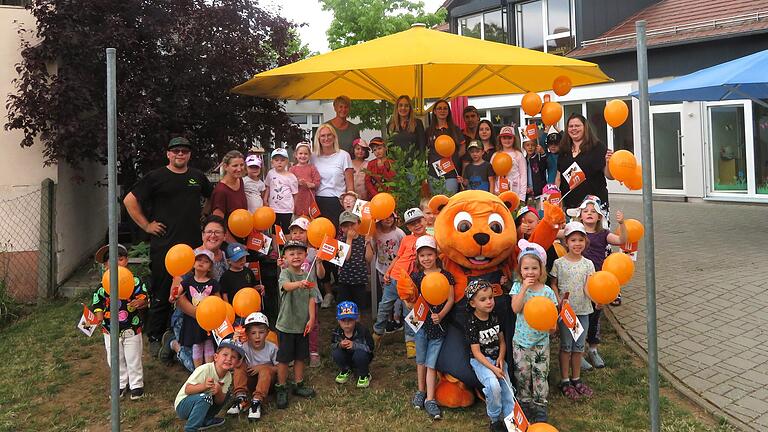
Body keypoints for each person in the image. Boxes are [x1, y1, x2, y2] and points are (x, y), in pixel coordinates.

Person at [123, 136, 212, 356]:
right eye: (176, 151)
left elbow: (211, 196)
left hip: (193, 245)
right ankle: (155, 335)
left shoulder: (197, 177)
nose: (180, 154)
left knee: (194, 289)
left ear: (189, 154)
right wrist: (147, 225)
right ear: (168, 154)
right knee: (163, 290)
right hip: (165, 245)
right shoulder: (156, 177)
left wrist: (204, 215)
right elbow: (129, 201)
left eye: (184, 151)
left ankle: (185, 333)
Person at [568, 196, 626, 371]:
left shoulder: (604, 234)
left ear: (600, 216)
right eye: (585, 211)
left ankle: (593, 349)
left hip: (597, 283)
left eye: (593, 211)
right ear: (580, 215)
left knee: (594, 317)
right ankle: (578, 352)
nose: (589, 214)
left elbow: (622, 240)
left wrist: (622, 224)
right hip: (577, 282)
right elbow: (558, 234)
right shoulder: (575, 233)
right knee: (577, 318)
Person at [91, 244, 148, 400]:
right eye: (111, 261)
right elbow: (97, 303)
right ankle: (120, 383)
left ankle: (136, 384)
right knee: (114, 357)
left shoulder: (135, 281)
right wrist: (99, 315)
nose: (116, 264)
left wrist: (140, 302)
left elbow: (143, 296)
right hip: (109, 329)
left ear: (127, 261)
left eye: (120, 259)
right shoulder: (102, 286)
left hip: (132, 326)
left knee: (133, 356)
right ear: (105, 266)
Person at [510, 240, 558, 423]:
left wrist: (552, 327)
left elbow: (552, 316)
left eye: (534, 268)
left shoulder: (547, 291)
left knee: (540, 374)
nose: (530, 272)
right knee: (522, 373)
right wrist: (523, 289)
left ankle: (539, 405)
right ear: (520, 271)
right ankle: (524, 402)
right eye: (526, 269)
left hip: (540, 342)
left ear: (541, 270)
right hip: (521, 341)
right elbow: (515, 308)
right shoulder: (517, 287)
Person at [408, 235, 455, 420]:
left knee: (431, 363)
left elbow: (450, 299)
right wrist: (407, 300)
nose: (426, 259)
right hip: (419, 325)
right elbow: (411, 300)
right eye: (422, 256)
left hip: (438, 326)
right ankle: (420, 391)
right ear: (418, 258)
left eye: (429, 254)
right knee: (420, 360)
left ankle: (430, 398)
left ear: (436, 255)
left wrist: (441, 315)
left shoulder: (445, 276)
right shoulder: (417, 277)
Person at [551, 221, 596, 401]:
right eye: (573, 240)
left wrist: (596, 298)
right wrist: (558, 299)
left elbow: (589, 287)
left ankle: (576, 379)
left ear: (585, 242)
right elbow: (553, 284)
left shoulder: (588, 264)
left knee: (578, 347)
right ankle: (565, 380)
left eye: (581, 240)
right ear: (566, 242)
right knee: (566, 346)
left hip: (583, 311)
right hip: (566, 313)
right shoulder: (559, 263)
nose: (577, 244)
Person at [374, 208, 427, 358]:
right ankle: (377, 333)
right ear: (408, 227)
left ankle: (411, 342)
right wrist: (388, 272)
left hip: (412, 283)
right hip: (395, 277)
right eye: (412, 224)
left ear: (424, 220)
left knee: (410, 312)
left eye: (419, 221)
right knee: (385, 305)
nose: (416, 225)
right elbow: (398, 257)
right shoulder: (406, 239)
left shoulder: (429, 239)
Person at [465, 279, 515, 432]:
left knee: (508, 390)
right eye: (483, 299)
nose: (489, 302)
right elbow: (476, 352)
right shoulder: (472, 322)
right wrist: (492, 369)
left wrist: (501, 358)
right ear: (473, 303)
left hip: (497, 359)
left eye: (491, 298)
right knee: (493, 387)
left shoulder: (494, 316)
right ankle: (495, 420)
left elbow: (502, 341)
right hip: (482, 361)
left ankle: (510, 420)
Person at [275, 240, 320, 408]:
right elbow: (285, 286)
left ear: (305, 255)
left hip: (302, 325)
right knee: (284, 358)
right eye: (291, 254)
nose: (296, 256)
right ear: (285, 257)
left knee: (300, 357)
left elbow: (311, 298)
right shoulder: (285, 273)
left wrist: (312, 318)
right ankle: (281, 386)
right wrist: (298, 284)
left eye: (299, 253)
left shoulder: (308, 276)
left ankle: (298, 384)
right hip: (286, 325)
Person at [174, 340, 245, 432]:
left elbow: (219, 402)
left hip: (200, 401)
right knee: (205, 397)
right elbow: (188, 389)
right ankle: (190, 429)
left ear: (237, 363)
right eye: (225, 355)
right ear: (216, 357)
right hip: (183, 405)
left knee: (226, 394)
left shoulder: (228, 377)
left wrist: (219, 391)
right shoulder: (205, 369)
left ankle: (206, 420)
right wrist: (204, 386)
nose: (228, 359)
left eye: (233, 357)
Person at [286, 217, 325, 367]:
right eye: (294, 232)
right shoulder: (289, 254)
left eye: (301, 232)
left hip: (310, 296)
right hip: (294, 296)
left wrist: (320, 263)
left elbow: (321, 276)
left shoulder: (314, 252)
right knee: (294, 323)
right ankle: (294, 351)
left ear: (310, 233)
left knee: (312, 323)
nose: (297, 235)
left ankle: (313, 351)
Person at [226, 312, 278, 421]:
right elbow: (233, 364)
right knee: (239, 365)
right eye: (253, 333)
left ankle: (257, 401)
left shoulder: (272, 348)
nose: (257, 336)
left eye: (261, 332)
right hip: (250, 381)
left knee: (265, 370)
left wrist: (262, 367)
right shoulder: (244, 347)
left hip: (268, 383)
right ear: (247, 334)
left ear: (267, 333)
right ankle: (241, 397)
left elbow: (280, 368)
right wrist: (235, 344)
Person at [556, 113, 613, 210]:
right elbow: (558, 178)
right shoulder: (563, 149)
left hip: (594, 207)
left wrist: (608, 162)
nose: (574, 128)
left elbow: (610, 176)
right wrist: (556, 197)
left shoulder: (597, 147)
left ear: (585, 127)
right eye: (571, 126)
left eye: (577, 126)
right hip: (570, 207)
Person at [311, 123, 354, 228]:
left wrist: (350, 204)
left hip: (337, 202)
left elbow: (350, 185)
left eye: (329, 135)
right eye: (323, 136)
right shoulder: (312, 157)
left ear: (334, 137)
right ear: (318, 138)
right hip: (316, 202)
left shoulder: (344, 156)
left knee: (336, 236)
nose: (326, 138)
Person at [372, 213, 406, 332]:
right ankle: (389, 319)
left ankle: (397, 319)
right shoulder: (375, 233)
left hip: (397, 271)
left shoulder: (399, 233)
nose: (388, 219)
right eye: (385, 217)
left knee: (398, 296)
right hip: (382, 269)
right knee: (386, 295)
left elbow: (404, 250)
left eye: (391, 216)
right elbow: (374, 249)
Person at [331, 301, 375, 388]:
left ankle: (364, 374)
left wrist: (354, 345)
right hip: (346, 355)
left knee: (360, 354)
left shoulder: (363, 331)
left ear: (356, 319)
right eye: (343, 320)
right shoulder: (337, 331)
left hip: (361, 356)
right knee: (336, 352)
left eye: (350, 320)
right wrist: (340, 345)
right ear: (338, 320)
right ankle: (345, 370)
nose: (347, 323)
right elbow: (332, 345)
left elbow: (370, 348)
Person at [336, 211, 374, 310]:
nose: (349, 228)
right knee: (344, 307)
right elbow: (345, 258)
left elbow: (369, 259)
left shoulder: (363, 239)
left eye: (352, 224)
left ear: (358, 223)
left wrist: (369, 244)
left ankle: (357, 324)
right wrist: (349, 240)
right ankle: (344, 324)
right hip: (344, 281)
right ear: (341, 228)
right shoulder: (340, 241)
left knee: (359, 308)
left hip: (360, 280)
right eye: (345, 226)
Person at [426, 99, 464, 194]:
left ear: (448, 111)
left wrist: (453, 158)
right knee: (436, 204)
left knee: (450, 203)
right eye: (439, 108)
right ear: (434, 111)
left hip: (451, 174)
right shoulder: (429, 130)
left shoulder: (455, 129)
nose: (442, 111)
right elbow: (425, 150)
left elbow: (463, 149)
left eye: (445, 108)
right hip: (433, 174)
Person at [264, 148, 298, 231]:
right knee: (275, 230)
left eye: (282, 160)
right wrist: (265, 199)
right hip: (273, 208)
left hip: (286, 209)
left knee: (286, 230)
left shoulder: (291, 177)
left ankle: (286, 244)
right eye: (276, 160)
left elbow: (295, 194)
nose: (279, 162)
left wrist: (294, 207)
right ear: (272, 162)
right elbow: (268, 187)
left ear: (286, 161)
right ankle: (275, 244)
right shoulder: (270, 173)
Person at [211, 150, 248, 225]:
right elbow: (218, 223)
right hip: (228, 235)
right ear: (225, 167)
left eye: (241, 165)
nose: (239, 169)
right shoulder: (220, 191)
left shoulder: (240, 180)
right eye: (235, 166)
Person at [289, 141, 321, 218]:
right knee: (297, 220)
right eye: (300, 153)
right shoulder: (292, 169)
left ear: (309, 156)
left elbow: (317, 182)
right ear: (296, 155)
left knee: (309, 221)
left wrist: (310, 184)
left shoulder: (312, 168)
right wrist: (297, 183)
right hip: (296, 199)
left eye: (306, 154)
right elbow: (288, 183)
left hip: (308, 199)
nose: (303, 156)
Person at [495, 126, 527, 198]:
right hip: (499, 193)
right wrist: (495, 190)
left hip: (516, 192)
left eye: (509, 138)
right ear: (500, 139)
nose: (507, 140)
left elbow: (523, 175)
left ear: (514, 139)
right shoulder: (496, 155)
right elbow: (493, 175)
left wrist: (522, 196)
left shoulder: (518, 155)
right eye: (504, 138)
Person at [524, 136, 548, 200]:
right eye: (527, 145)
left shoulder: (538, 158)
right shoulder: (523, 160)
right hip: (527, 194)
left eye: (533, 145)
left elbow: (544, 166)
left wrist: (542, 153)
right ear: (524, 147)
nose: (530, 147)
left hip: (539, 193)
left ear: (536, 146)